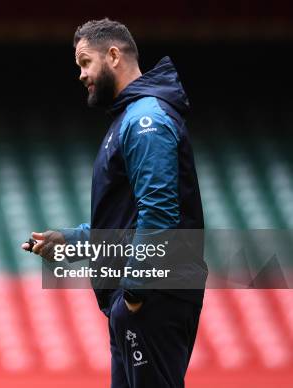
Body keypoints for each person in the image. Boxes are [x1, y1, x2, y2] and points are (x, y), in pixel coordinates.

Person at [22, 19, 207, 387]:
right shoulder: (131, 117)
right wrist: (71, 242)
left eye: (85, 62)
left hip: (151, 298)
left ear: (113, 55)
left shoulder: (145, 120)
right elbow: (129, 222)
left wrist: (135, 293)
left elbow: (158, 215)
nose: (81, 74)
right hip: (142, 299)